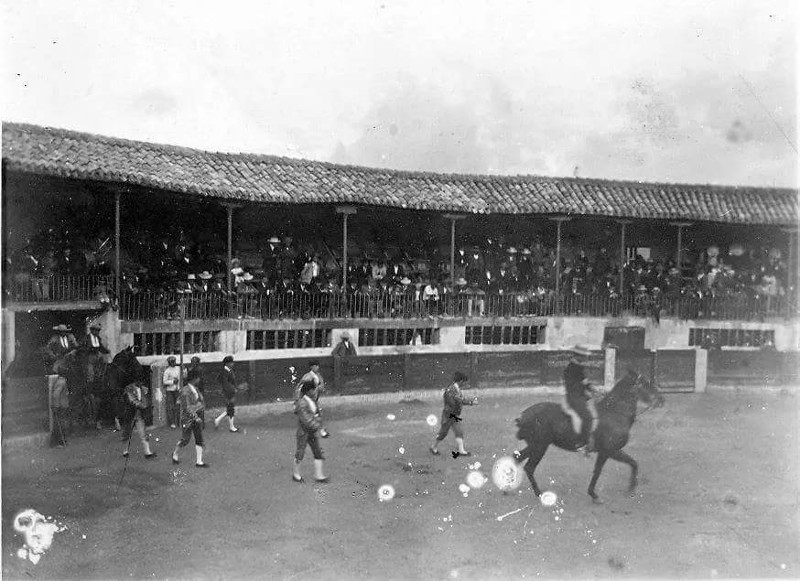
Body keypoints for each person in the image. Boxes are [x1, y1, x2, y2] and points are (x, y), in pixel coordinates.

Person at [562, 345, 599, 455]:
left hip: (580, 397)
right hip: (574, 398)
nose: (585, 359)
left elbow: (585, 382)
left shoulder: (578, 367)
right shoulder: (570, 368)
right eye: (584, 356)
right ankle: (581, 444)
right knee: (588, 418)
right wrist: (585, 388)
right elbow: (572, 387)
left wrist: (593, 389)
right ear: (578, 356)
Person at [430, 371, 477, 457]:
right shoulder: (452, 389)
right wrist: (470, 402)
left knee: (459, 431)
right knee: (443, 433)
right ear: (461, 381)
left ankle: (461, 451)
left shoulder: (455, 389)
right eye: (464, 382)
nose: (465, 384)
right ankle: (433, 447)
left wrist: (469, 402)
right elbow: (458, 401)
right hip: (448, 415)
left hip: (454, 414)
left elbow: (459, 400)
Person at [171, 369, 209, 468]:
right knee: (185, 439)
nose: (199, 380)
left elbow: (201, 403)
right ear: (194, 379)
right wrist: (196, 416)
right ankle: (175, 453)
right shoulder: (185, 391)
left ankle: (199, 461)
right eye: (198, 378)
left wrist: (199, 412)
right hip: (187, 419)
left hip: (196, 417)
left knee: (199, 437)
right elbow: (187, 407)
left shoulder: (195, 389)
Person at [293, 379, 327, 483]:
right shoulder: (302, 404)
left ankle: (319, 475)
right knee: (300, 453)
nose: (315, 392)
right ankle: (296, 475)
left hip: (311, 431)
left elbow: (317, 416)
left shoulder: (312, 401)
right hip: (303, 432)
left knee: (317, 452)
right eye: (313, 390)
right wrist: (320, 429)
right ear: (308, 391)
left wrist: (320, 428)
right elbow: (307, 420)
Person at [121, 379, 157, 459]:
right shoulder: (128, 388)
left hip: (138, 414)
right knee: (127, 433)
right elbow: (132, 401)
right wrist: (143, 405)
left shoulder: (141, 388)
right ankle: (125, 451)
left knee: (143, 433)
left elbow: (144, 400)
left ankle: (147, 452)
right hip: (130, 413)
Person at [296, 360, 328, 438]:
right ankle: (314, 431)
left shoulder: (319, 376)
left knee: (319, 414)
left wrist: (320, 388)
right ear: (311, 367)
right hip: (307, 399)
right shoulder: (307, 377)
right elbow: (300, 387)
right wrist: (298, 399)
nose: (316, 367)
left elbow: (322, 387)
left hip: (315, 399)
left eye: (317, 366)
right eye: (314, 366)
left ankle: (321, 431)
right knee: (311, 415)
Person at [213, 355, 240, 432]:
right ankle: (231, 426)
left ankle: (218, 420)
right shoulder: (225, 371)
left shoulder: (227, 370)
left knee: (230, 408)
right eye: (231, 362)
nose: (232, 364)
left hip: (228, 391)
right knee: (230, 408)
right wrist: (233, 389)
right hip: (228, 392)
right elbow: (225, 383)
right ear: (227, 363)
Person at [82, 322, 110, 392]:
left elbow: (101, 347)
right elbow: (83, 348)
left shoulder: (98, 338)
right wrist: (90, 349)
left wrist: (106, 351)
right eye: (96, 330)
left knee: (104, 366)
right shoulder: (87, 338)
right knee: (90, 373)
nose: (97, 332)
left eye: (98, 330)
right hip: (89, 357)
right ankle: (89, 389)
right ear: (92, 330)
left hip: (97, 356)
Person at [162, 356, 182, 429]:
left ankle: (178, 421)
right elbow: (164, 381)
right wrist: (172, 381)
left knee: (178, 405)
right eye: (172, 362)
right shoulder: (167, 371)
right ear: (169, 363)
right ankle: (172, 422)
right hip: (170, 390)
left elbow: (182, 377)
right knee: (171, 406)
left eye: (174, 361)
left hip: (177, 390)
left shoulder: (178, 369)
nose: (173, 363)